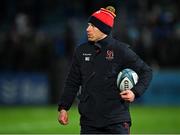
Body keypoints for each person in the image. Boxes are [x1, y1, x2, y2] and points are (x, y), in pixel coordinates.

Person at [58, 6, 152, 134]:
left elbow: (146, 71)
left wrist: (135, 92)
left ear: (103, 29)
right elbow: (72, 82)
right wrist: (64, 107)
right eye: (88, 25)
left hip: (117, 122)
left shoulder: (121, 50)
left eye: (92, 26)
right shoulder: (81, 51)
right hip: (89, 123)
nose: (87, 29)